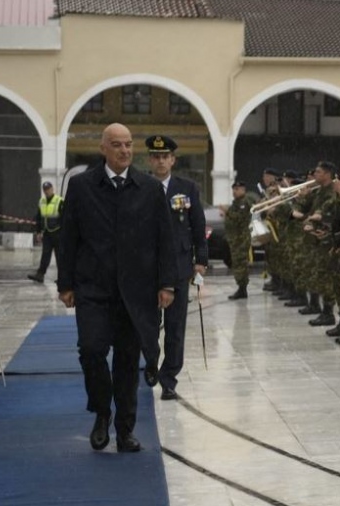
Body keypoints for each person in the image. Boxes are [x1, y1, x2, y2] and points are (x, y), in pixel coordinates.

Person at [57, 123, 177, 452]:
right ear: (103, 149)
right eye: (117, 145)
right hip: (93, 288)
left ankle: (125, 429)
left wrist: (167, 283)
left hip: (136, 293)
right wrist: (64, 283)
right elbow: (67, 238)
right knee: (91, 350)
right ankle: (101, 411)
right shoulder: (82, 186)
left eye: (128, 144)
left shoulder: (150, 188)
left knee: (127, 360)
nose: (125, 150)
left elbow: (165, 239)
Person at [145, 135, 207, 401]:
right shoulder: (141, 186)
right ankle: (149, 365)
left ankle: (169, 378)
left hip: (180, 266)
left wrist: (201, 261)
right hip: (148, 266)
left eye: (165, 156)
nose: (161, 161)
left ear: (173, 160)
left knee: (175, 327)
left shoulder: (187, 188)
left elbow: (197, 224)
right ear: (150, 159)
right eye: (156, 156)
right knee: (147, 325)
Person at [221, 180, 258, 300]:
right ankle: (241, 287)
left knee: (240, 263)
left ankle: (242, 288)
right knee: (237, 263)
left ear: (243, 190)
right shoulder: (236, 202)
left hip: (241, 238)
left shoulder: (244, 202)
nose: (235, 192)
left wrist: (227, 212)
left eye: (237, 189)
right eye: (234, 189)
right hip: (235, 238)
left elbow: (240, 218)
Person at [28, 182, 64, 283]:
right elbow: (39, 218)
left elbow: (65, 218)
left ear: (52, 189)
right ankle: (40, 275)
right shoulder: (42, 201)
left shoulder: (59, 201)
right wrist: (38, 232)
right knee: (45, 255)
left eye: (48, 189)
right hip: (47, 233)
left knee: (60, 257)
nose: (47, 191)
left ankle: (63, 278)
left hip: (58, 233)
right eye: (45, 189)